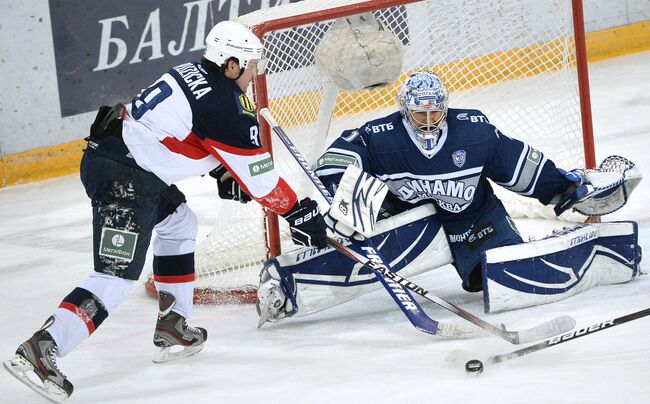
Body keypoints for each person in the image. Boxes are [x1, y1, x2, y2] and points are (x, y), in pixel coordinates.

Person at [3, 20, 327, 402]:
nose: (257, 72)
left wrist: (221, 168)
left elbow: (176, 128)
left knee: (179, 222)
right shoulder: (224, 103)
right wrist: (299, 211)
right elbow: (260, 179)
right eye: (251, 64)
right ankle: (41, 349)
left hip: (128, 161)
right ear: (232, 65)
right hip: (124, 177)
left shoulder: (192, 70)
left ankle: (173, 324)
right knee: (115, 276)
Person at [255, 69, 641, 324]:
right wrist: (345, 194)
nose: (427, 121)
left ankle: (599, 255)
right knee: (362, 253)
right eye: (418, 114)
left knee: (498, 281)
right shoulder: (380, 135)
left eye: (434, 113)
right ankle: (283, 283)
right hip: (409, 220)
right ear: (404, 110)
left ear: (445, 107)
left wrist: (566, 188)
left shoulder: (474, 132)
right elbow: (336, 160)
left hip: (474, 217)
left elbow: (521, 167)